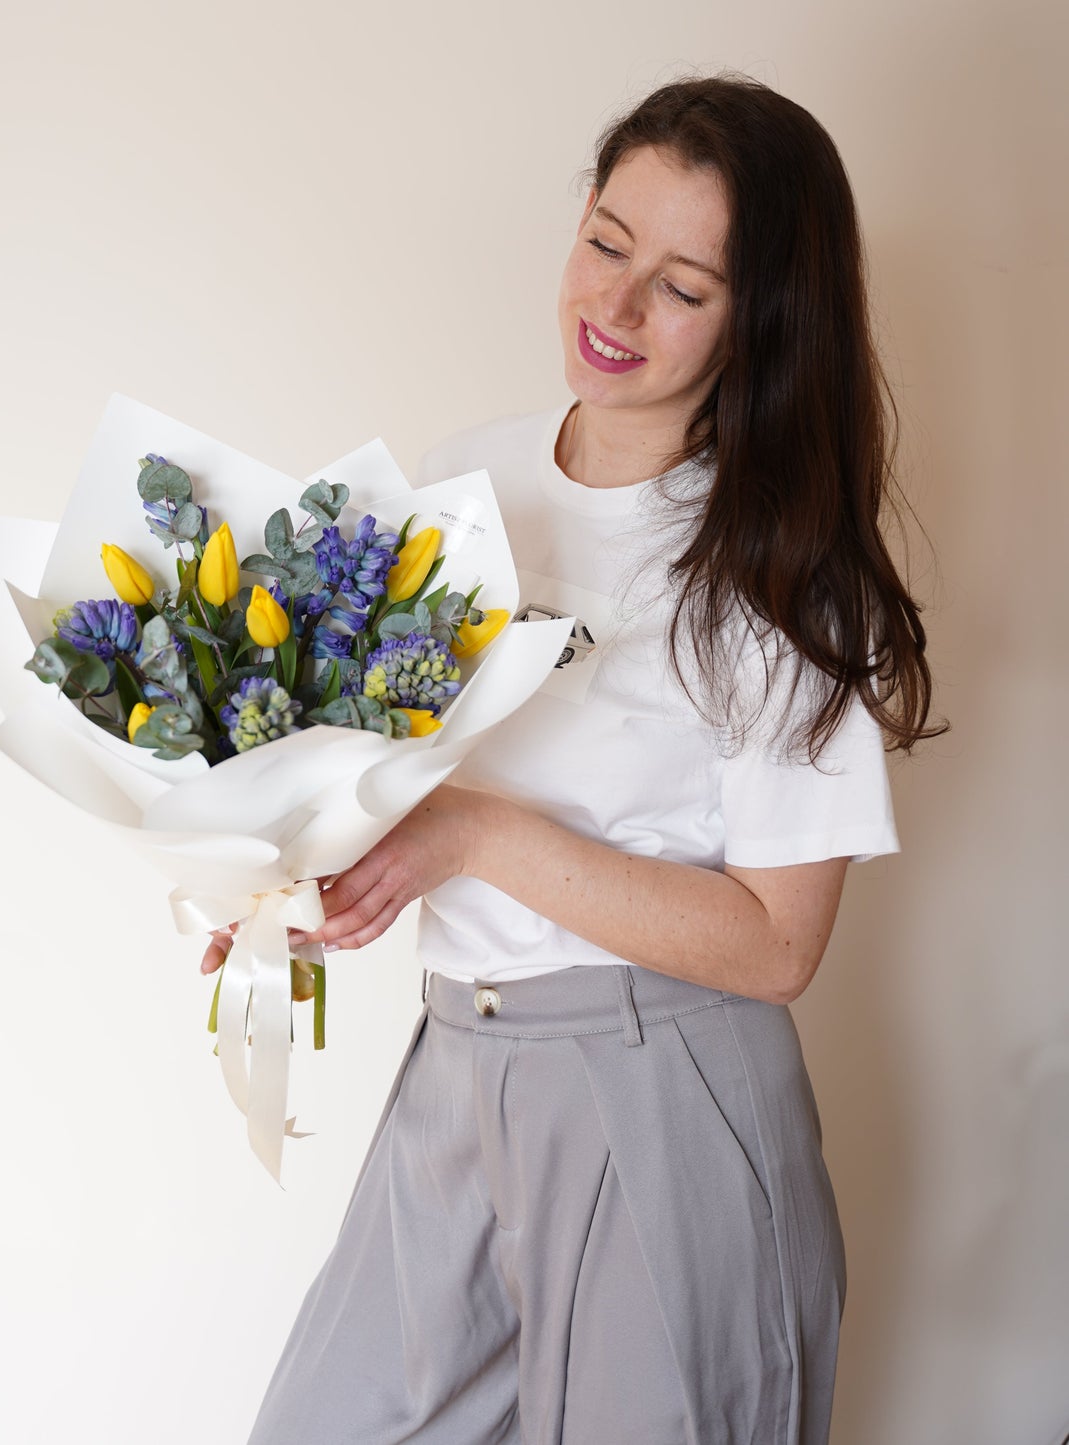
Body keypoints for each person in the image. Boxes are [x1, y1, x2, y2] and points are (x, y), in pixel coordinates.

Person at [207, 73, 941, 1445]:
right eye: (606, 242)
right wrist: (289, 887)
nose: (613, 309)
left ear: (757, 321)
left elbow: (780, 946)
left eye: (680, 285)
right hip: (457, 1066)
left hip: (659, 1087)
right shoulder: (461, 478)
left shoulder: (782, 569)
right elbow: (394, 774)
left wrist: (473, 836)